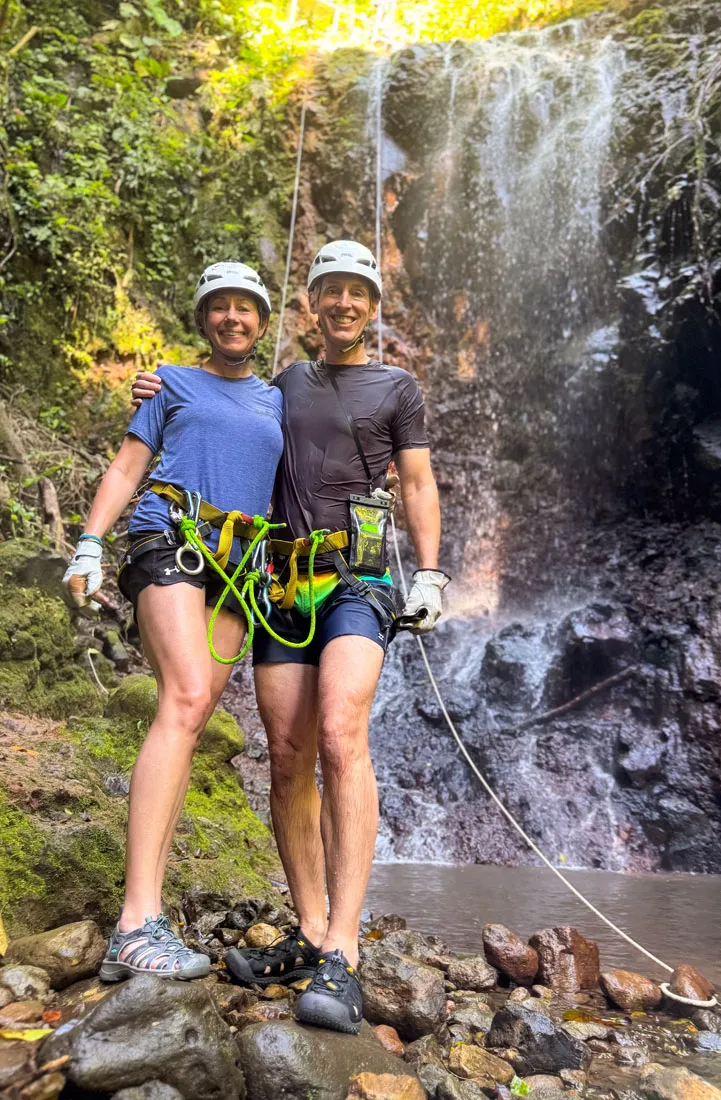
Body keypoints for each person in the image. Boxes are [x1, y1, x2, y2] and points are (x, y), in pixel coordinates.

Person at [131, 240, 449, 1031]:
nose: (342, 303)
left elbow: (416, 480)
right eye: (329, 291)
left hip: (359, 576)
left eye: (357, 292)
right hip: (278, 580)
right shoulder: (283, 383)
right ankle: (310, 929)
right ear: (310, 304)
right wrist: (159, 386)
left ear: (374, 306)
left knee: (341, 734)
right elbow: (221, 401)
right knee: (286, 755)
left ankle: (343, 949)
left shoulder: (398, 386)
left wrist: (434, 573)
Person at [63, 261, 283, 981]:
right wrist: (90, 542)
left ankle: (146, 917)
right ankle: (135, 919)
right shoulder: (169, 383)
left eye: (243, 308)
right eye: (217, 308)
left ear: (261, 319)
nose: (231, 318)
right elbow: (128, 468)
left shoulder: (277, 400)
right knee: (186, 699)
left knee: (188, 716)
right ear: (204, 322)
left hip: (239, 571)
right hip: (170, 543)